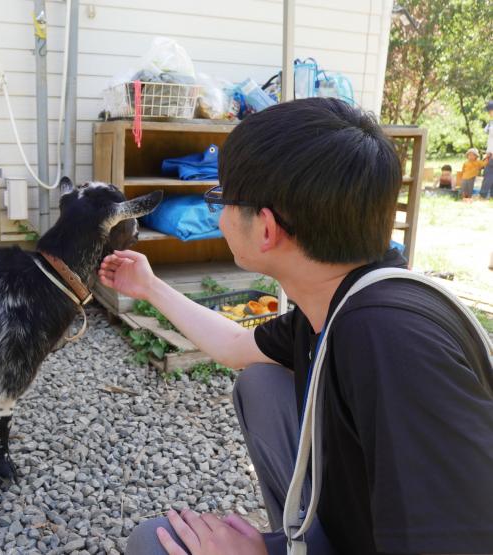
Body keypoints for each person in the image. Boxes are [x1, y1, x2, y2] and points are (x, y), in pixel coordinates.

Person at [98, 98, 493, 555]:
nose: (219, 216)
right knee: (262, 383)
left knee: (151, 544)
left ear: (266, 229)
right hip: (355, 524)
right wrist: (149, 287)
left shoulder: (390, 343)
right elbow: (234, 345)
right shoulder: (339, 298)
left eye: (220, 199)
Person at [481, 100, 493, 200]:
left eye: (489, 111)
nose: (489, 113)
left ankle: (483, 195)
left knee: (488, 174)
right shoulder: (490, 123)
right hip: (490, 153)